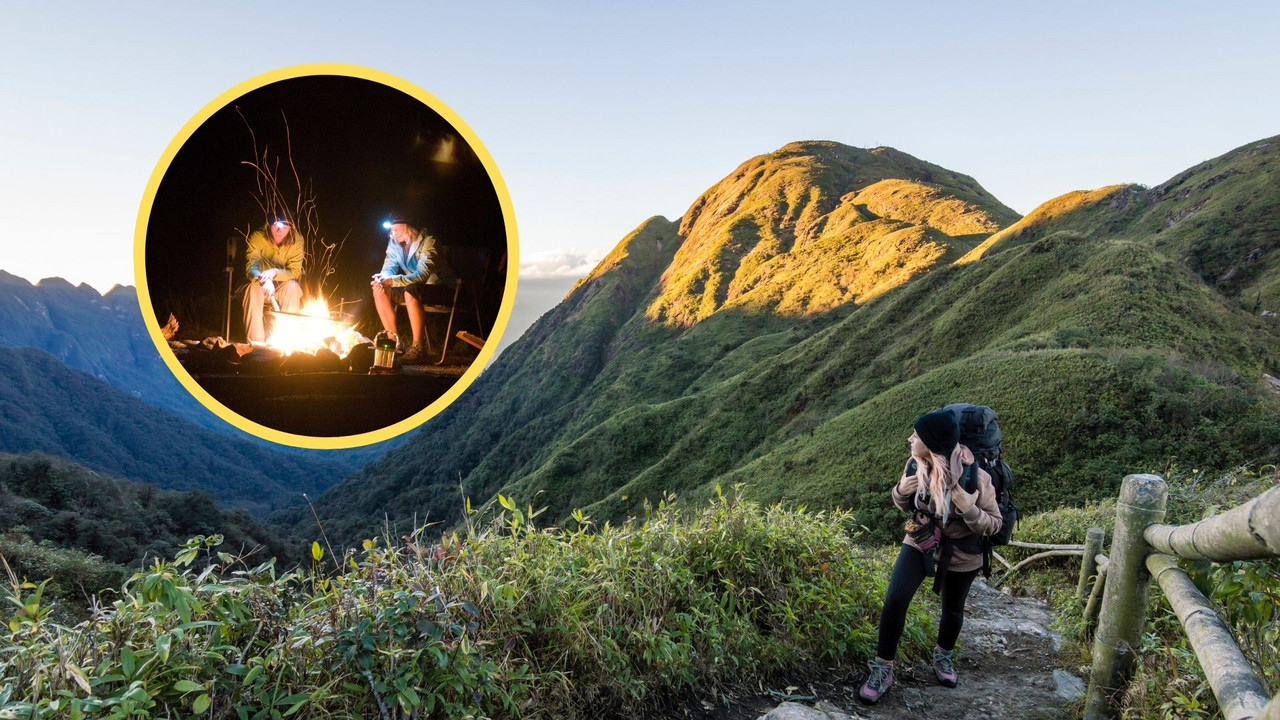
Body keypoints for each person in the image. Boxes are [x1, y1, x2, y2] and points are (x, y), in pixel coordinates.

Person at [859, 409, 1003, 704]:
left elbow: (994, 524)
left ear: (933, 444)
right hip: (921, 537)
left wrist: (969, 508)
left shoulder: (978, 476)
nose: (910, 438)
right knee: (896, 598)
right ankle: (883, 668)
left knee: (952, 609)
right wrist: (901, 489)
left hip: (963, 550)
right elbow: (902, 502)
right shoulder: (915, 464)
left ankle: (943, 656)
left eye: (917, 435)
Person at [370, 214, 457, 364]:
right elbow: (389, 266)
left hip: (441, 287)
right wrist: (382, 278)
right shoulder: (394, 242)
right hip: (416, 287)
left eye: (397, 230)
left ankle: (418, 347)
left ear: (409, 229)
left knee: (411, 290)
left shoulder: (429, 241)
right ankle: (394, 342)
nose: (393, 234)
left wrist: (392, 280)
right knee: (379, 288)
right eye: (391, 231)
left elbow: (422, 276)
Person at [243, 218, 304, 344]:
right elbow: (251, 268)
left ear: (291, 227)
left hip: (282, 286)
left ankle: (287, 344)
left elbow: (295, 271)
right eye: (275, 225)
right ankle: (256, 346)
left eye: (285, 226)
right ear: (270, 223)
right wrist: (264, 280)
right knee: (252, 289)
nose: (279, 230)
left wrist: (274, 273)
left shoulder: (297, 240)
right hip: (259, 285)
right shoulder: (258, 236)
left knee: (293, 287)